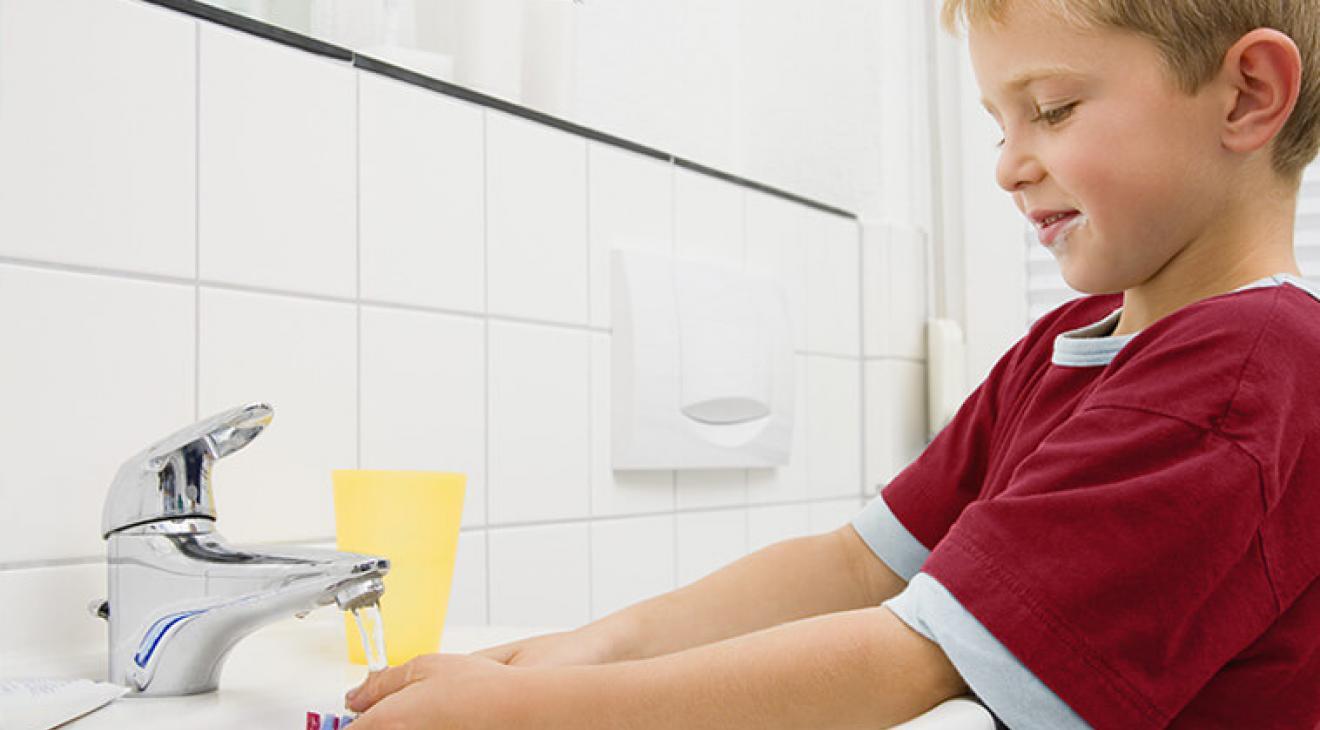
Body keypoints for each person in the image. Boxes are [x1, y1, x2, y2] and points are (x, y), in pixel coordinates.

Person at [344, 0, 1320, 726]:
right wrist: (582, 649)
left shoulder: (1247, 374)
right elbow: (855, 565)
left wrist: (526, 715)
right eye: (997, 123)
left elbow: (910, 656)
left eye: (1054, 109)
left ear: (1248, 94)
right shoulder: (1067, 351)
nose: (1008, 163)